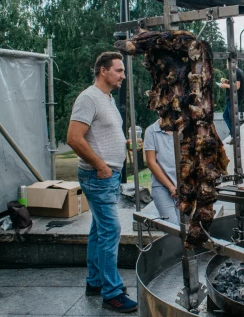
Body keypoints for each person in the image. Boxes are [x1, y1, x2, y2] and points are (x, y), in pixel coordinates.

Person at [67, 52, 137, 313]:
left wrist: (125, 144)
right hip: (98, 176)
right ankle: (112, 293)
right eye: (118, 70)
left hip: (108, 176)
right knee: (110, 232)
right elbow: (74, 138)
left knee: (99, 231)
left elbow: (102, 134)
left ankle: (95, 282)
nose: (123, 75)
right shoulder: (88, 98)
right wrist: (100, 165)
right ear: (103, 71)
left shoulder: (106, 99)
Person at [144, 118, 179, 225]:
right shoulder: (151, 131)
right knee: (172, 227)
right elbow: (151, 162)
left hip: (183, 186)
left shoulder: (182, 129)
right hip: (161, 186)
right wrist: (171, 187)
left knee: (185, 227)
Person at [219, 60, 244, 145]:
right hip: (231, 98)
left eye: (227, 63)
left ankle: (235, 137)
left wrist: (225, 85)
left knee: (231, 118)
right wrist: (226, 81)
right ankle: (234, 136)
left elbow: (236, 87)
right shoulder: (236, 71)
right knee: (226, 116)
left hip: (234, 99)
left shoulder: (237, 72)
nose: (226, 65)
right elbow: (234, 83)